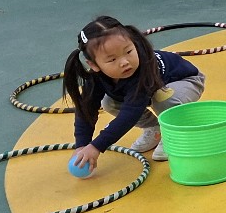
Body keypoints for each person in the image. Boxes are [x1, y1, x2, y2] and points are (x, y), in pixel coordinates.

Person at [64, 15, 205, 168]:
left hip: (187, 81)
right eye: (112, 60)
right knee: (109, 102)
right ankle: (154, 128)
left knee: (162, 98)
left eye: (129, 51)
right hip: (153, 92)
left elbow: (130, 114)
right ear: (94, 65)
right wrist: (82, 145)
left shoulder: (143, 70)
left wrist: (97, 146)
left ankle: (173, 135)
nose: (125, 62)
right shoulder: (95, 78)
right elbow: (86, 110)